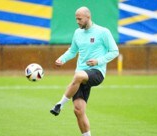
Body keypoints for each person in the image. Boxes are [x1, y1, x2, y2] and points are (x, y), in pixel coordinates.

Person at [50, 6, 119, 136]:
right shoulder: (77, 33)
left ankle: (60, 104)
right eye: (76, 19)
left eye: (79, 19)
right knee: (78, 110)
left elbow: (115, 51)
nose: (77, 21)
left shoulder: (103, 32)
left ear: (88, 17)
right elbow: (72, 51)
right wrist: (62, 59)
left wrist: (98, 61)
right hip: (81, 76)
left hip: (97, 72)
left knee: (78, 76)